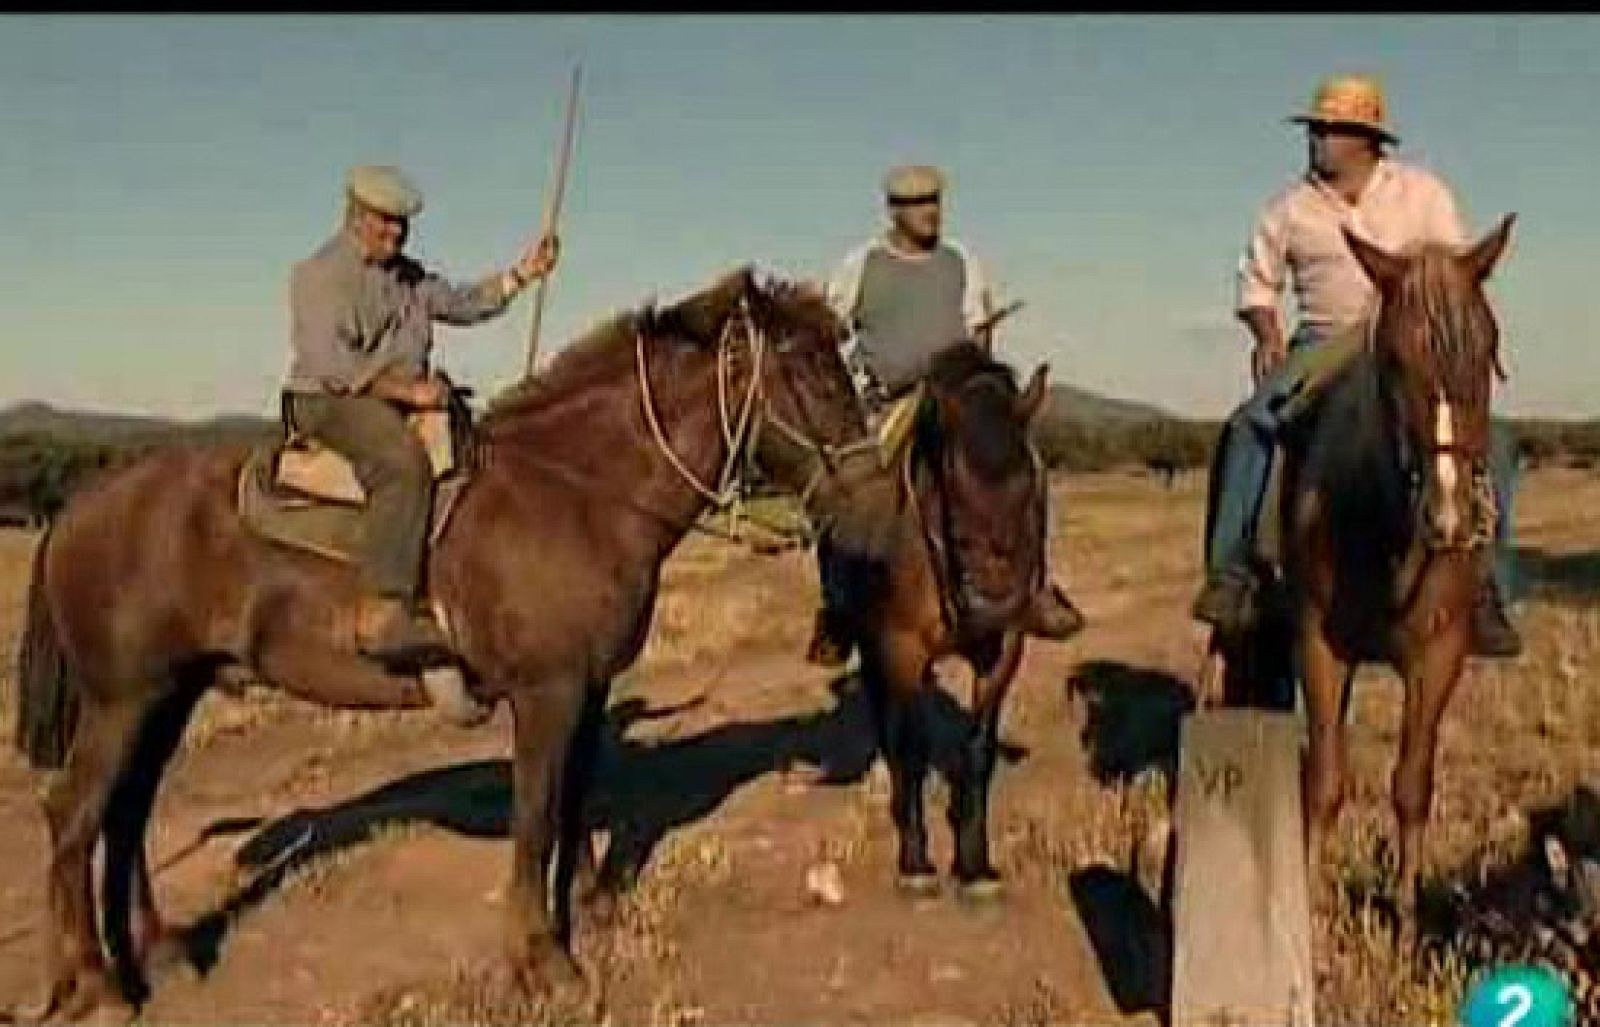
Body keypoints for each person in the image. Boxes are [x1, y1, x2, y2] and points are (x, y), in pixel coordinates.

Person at [1193, 74, 1522, 657]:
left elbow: (1454, 274)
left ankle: (1486, 587)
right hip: (1325, 338)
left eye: (1330, 130)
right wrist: (1266, 333)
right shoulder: (1288, 209)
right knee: (1250, 425)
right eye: (1316, 129)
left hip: (1408, 339)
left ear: (1367, 139)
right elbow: (1258, 283)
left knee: (1492, 440)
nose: (1317, 140)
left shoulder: (1422, 193)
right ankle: (1233, 573)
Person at [805, 164, 1085, 666]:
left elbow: (979, 335)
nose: (931, 211)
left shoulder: (962, 262)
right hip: (891, 401)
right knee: (846, 490)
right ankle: (839, 608)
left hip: (957, 400)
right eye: (918, 203)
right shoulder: (861, 265)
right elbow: (830, 332)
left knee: (1028, 469)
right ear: (895, 210)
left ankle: (1035, 588)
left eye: (935, 200)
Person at [284, 164, 559, 668]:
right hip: (329, 400)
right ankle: (383, 612)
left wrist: (523, 273)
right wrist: (410, 392)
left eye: (402, 224)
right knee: (403, 465)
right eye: (385, 221)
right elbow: (334, 366)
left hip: (399, 397)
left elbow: (464, 302)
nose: (396, 232)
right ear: (355, 216)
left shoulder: (409, 278)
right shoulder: (319, 275)